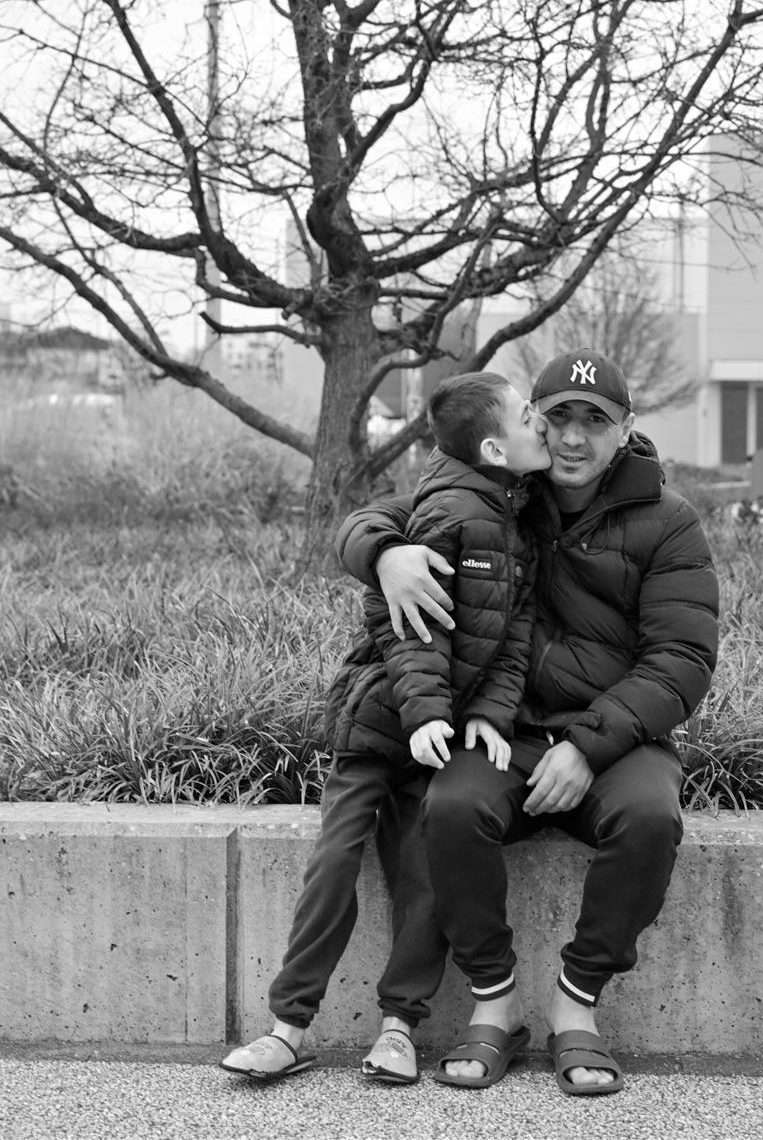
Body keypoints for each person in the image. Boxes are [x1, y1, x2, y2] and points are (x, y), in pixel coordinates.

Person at [336, 347, 719, 1094]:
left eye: (595, 421)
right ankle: (496, 1002)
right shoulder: (506, 491)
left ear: (627, 428)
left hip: (614, 736)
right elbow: (378, 514)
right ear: (533, 425)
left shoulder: (670, 523)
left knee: (648, 817)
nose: (574, 439)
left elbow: (681, 658)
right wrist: (384, 555)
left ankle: (576, 1006)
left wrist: (586, 744)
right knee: (450, 806)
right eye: (558, 419)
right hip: (501, 729)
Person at [220, 371, 551, 1084]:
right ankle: (286, 1026)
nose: (545, 425)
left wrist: (490, 716)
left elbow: (510, 641)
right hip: (380, 727)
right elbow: (408, 627)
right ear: (495, 447)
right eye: (532, 415)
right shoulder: (448, 509)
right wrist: (429, 711)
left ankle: (399, 1026)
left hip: (441, 738)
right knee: (335, 862)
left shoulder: (517, 520)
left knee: (424, 872)